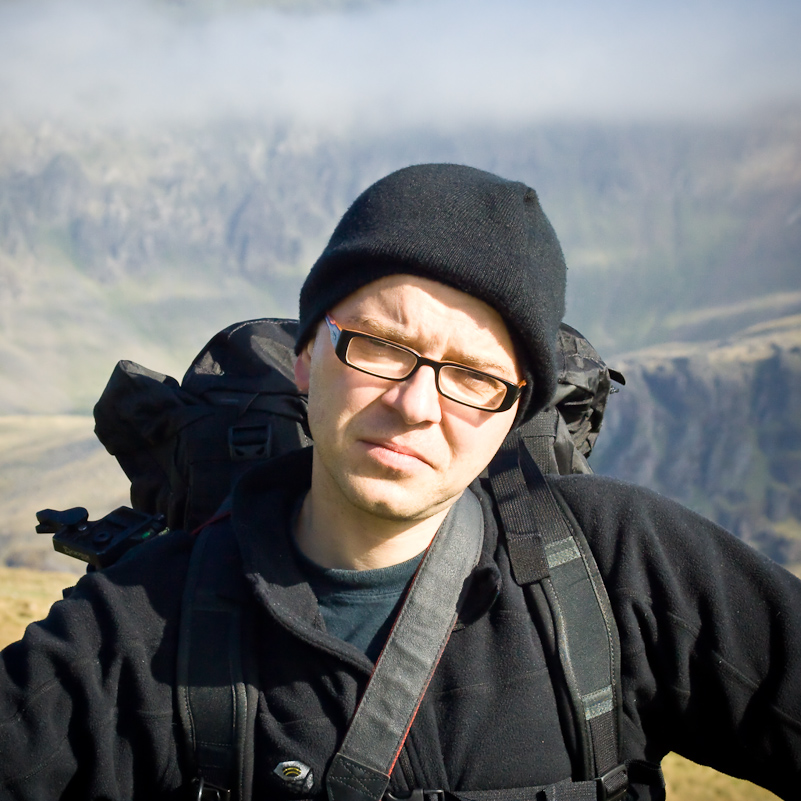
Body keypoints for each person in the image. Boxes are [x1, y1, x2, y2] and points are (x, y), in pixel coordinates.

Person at [1, 163, 800, 801]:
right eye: (381, 347)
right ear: (307, 354)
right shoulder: (134, 626)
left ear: (513, 406)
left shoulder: (620, 568)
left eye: (474, 376)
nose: (416, 405)